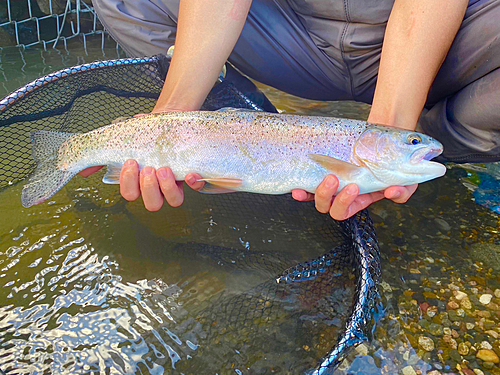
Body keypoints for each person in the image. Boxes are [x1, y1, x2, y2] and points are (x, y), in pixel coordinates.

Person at [85, 0, 500, 220]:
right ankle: (222, 127)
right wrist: (173, 114)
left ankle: (439, 126)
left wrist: (395, 122)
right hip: (296, 35)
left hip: (442, 39)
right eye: (410, 143)